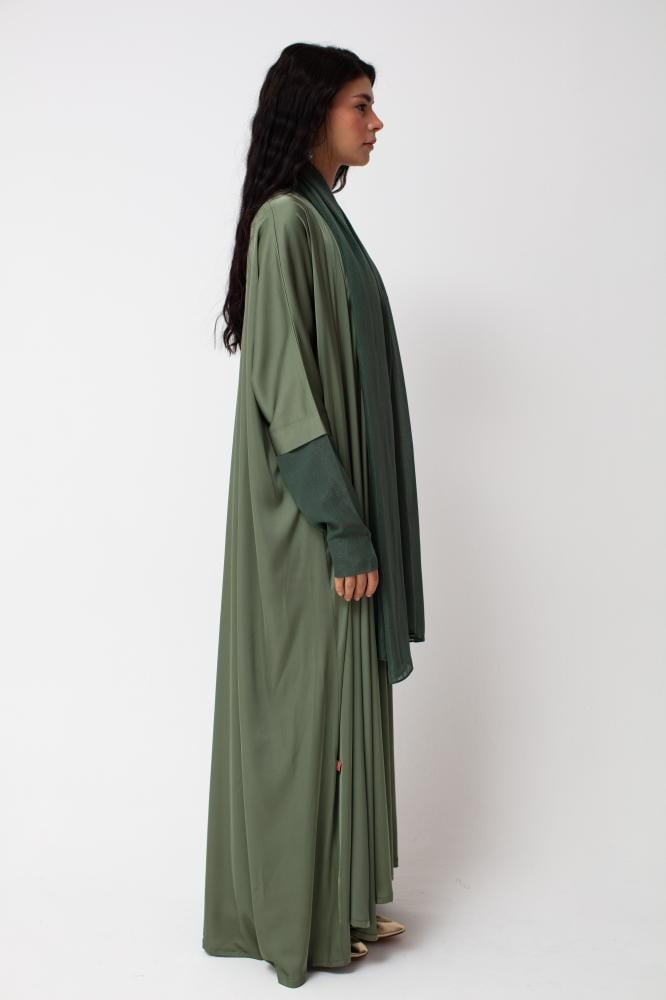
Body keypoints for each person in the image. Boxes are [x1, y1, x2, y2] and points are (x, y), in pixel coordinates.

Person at [202, 42, 425, 989]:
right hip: (306, 519)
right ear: (314, 112)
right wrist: (342, 524)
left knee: (338, 705)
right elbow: (287, 398)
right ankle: (299, 915)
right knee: (306, 714)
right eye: (360, 104)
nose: (376, 122)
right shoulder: (288, 223)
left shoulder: (320, 217)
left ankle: (343, 900)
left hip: (332, 505)